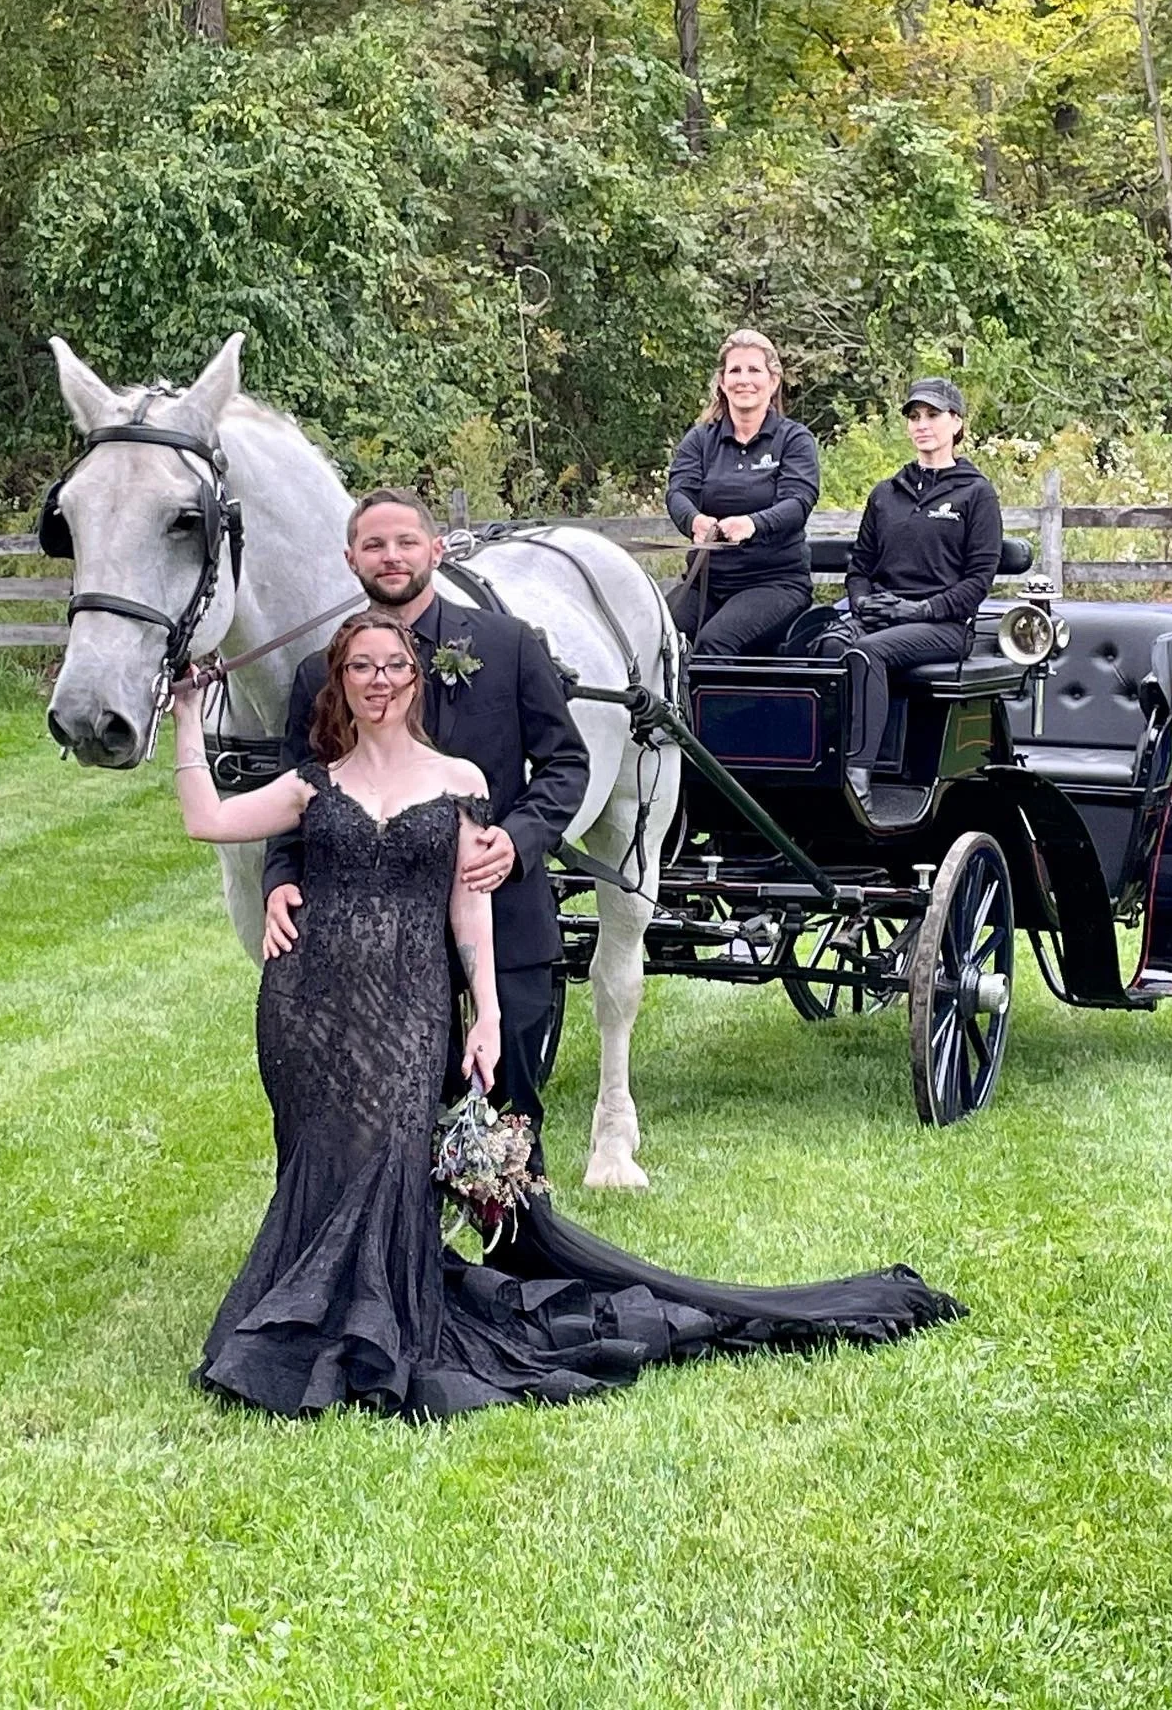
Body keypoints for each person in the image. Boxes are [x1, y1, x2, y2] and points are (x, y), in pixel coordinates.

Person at [171, 611, 963, 1420]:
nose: (379, 681)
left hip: (410, 1009)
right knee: (320, 1161)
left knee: (389, 1161)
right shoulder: (312, 783)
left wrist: (482, 1015)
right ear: (340, 682)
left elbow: (466, 908)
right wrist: (187, 722)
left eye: (393, 667)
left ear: (414, 680)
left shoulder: (461, 782)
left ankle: (380, 1328)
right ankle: (309, 1321)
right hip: (309, 1008)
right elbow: (208, 820)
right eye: (362, 669)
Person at [262, 487, 589, 1173]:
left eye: (406, 541)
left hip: (502, 919)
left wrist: (518, 840)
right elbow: (297, 797)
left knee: (509, 1126)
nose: (391, 556)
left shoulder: (509, 646)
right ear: (349, 557)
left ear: (435, 550)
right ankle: (409, 1268)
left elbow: (565, 763)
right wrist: (280, 881)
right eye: (374, 544)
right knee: (385, 1129)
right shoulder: (317, 675)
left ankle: (515, 1268)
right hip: (376, 948)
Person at [820, 379, 1003, 807]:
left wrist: (920, 609)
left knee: (867, 653)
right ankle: (819, 768)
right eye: (915, 417)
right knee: (828, 645)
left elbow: (977, 582)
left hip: (944, 625)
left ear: (956, 422)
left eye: (933, 415)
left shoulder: (976, 493)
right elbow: (860, 567)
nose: (923, 425)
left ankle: (856, 779)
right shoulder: (886, 493)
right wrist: (863, 601)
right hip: (880, 614)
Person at [665, 329, 820, 656]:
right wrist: (694, 521)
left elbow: (798, 501)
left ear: (773, 380)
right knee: (659, 635)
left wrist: (752, 524)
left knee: (714, 642)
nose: (743, 379)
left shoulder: (794, 439)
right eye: (735, 371)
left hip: (775, 584)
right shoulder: (700, 439)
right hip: (706, 584)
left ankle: (708, 709)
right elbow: (679, 491)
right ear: (722, 381)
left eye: (754, 370)